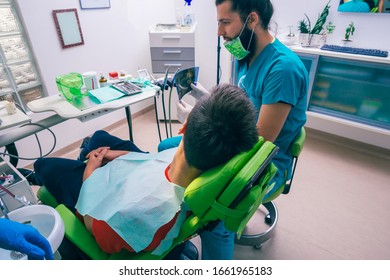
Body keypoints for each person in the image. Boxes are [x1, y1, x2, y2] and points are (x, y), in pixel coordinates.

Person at [33, 83, 259, 258]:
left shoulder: (138, 217)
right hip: (144, 176)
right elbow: (150, 162)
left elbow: (92, 224)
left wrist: (91, 169)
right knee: (100, 138)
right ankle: (88, 152)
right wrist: (116, 156)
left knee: (45, 165)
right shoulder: (209, 164)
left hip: (99, 199)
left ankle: (80, 161)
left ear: (184, 126)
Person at [158, 0, 309, 260]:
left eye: (225, 22)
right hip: (239, 143)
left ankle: (217, 227)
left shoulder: (282, 70)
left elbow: (259, 143)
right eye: (218, 22)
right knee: (165, 148)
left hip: (263, 162)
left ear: (252, 20)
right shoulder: (245, 55)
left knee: (213, 216)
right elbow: (236, 104)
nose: (219, 32)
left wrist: (200, 126)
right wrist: (204, 104)